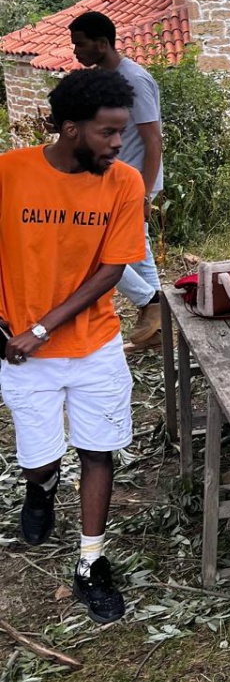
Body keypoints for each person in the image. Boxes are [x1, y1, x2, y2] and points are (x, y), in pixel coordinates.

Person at [0, 68, 146, 622]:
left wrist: (42, 327)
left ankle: (91, 560)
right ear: (69, 129)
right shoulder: (9, 174)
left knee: (97, 449)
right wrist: (9, 329)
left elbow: (112, 269)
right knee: (39, 460)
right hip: (21, 354)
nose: (117, 144)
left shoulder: (123, 183)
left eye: (122, 132)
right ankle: (41, 487)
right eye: (108, 133)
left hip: (94, 345)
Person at [70, 11, 165, 352]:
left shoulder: (133, 80)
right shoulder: (103, 79)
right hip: (106, 181)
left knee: (93, 250)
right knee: (139, 255)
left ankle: (150, 301)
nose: (76, 51)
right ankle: (159, 330)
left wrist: (144, 193)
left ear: (102, 42)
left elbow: (152, 139)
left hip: (131, 185)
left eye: (80, 44)